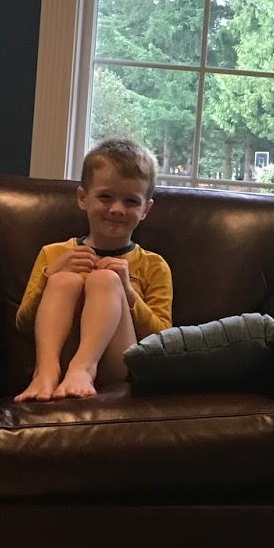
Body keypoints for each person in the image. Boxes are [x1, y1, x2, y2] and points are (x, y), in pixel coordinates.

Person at [15, 137, 173, 402]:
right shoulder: (53, 254)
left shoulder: (154, 265)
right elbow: (23, 323)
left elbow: (163, 338)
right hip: (60, 357)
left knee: (106, 280)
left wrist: (128, 292)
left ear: (146, 209)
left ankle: (84, 368)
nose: (117, 209)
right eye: (105, 197)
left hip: (117, 366)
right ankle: (45, 371)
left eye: (131, 201)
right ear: (83, 198)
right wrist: (49, 276)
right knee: (64, 281)